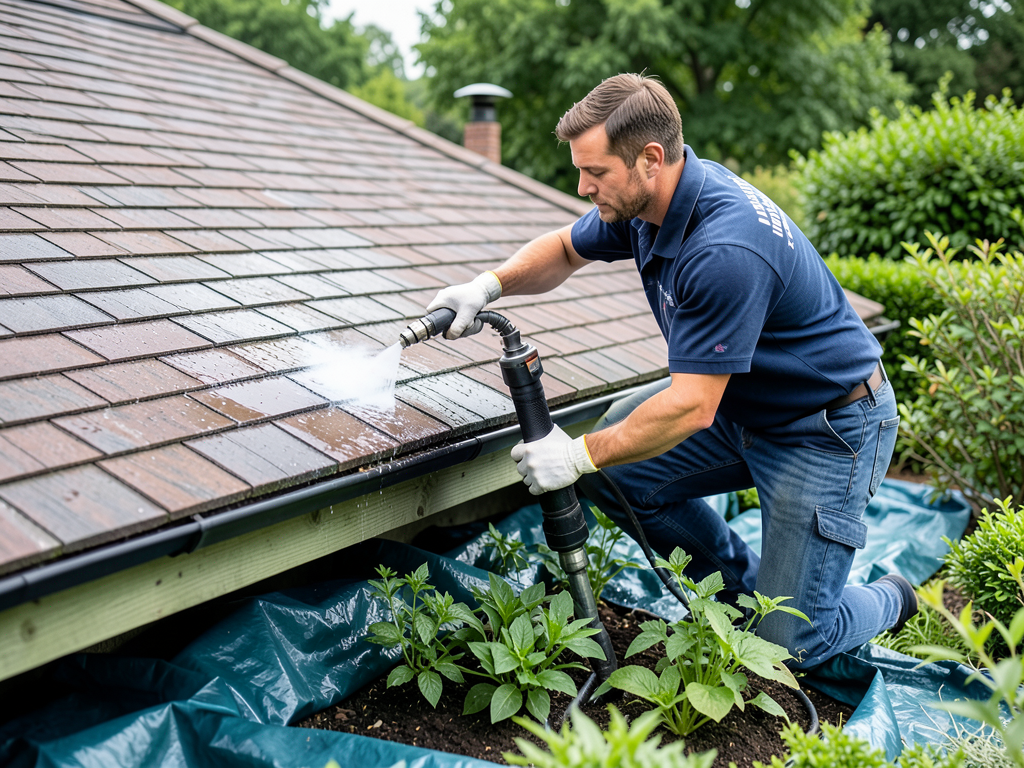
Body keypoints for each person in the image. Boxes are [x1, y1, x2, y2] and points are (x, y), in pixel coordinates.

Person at [425, 72, 914, 669]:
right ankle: (736, 597)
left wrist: (576, 455)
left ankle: (890, 599)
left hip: (827, 429)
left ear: (650, 159)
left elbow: (691, 406)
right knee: (620, 473)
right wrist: (487, 286)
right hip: (741, 406)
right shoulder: (647, 203)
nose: (582, 187)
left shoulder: (724, 249)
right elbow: (563, 249)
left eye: (595, 172)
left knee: (790, 648)